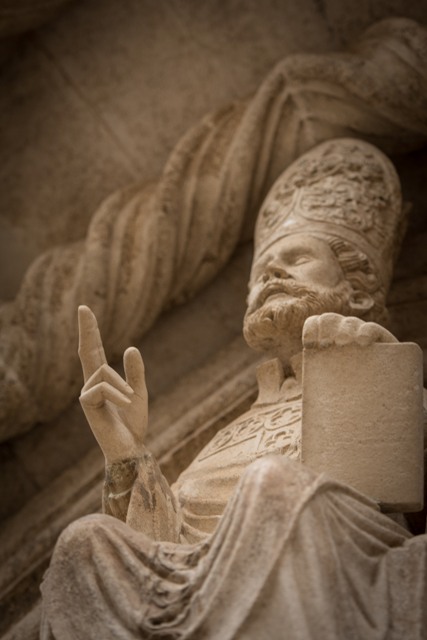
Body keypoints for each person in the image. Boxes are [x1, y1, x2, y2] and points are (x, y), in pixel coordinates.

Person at [40, 139, 427, 639]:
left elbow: (382, 495)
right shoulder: (231, 432)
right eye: (261, 271)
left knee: (271, 481)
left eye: (298, 257)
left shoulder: (389, 381)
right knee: (85, 540)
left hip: (329, 575)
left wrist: (366, 374)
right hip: (204, 590)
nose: (271, 273)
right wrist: (127, 456)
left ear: (355, 289)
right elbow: (170, 550)